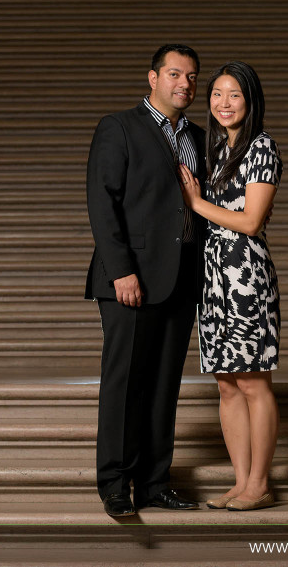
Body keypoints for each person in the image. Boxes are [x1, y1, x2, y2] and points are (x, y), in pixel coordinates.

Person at [85, 44, 205, 517]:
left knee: (163, 387)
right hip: (129, 281)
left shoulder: (198, 135)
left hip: (181, 281)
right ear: (152, 78)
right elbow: (102, 201)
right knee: (125, 383)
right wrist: (121, 271)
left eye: (193, 77)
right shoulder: (120, 127)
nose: (185, 84)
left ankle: (155, 483)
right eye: (175, 74)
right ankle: (115, 483)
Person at [177, 60, 282, 512]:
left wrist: (197, 203)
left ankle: (260, 483)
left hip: (246, 275)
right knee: (225, 384)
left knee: (253, 382)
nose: (223, 103)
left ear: (250, 100)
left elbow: (252, 222)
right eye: (216, 94)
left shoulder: (263, 147)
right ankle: (241, 483)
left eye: (233, 94)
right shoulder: (215, 149)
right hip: (213, 276)